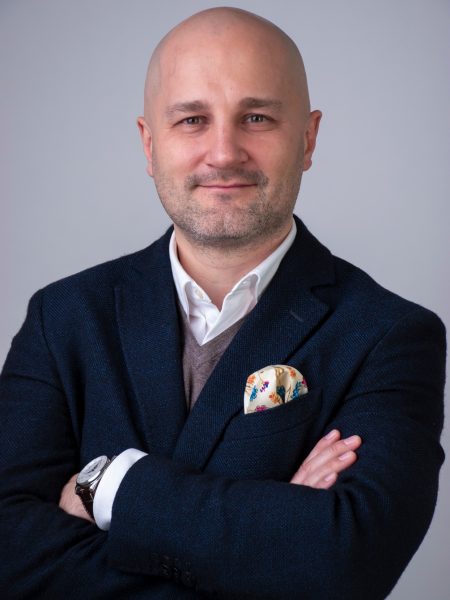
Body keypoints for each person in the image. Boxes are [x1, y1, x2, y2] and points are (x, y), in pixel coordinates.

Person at [0, 7, 445, 599]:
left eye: (256, 117)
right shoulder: (62, 318)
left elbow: (347, 561)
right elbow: (10, 554)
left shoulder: (390, 335)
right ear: (149, 144)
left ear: (308, 139)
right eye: (192, 120)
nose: (224, 152)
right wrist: (273, 538)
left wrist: (110, 486)